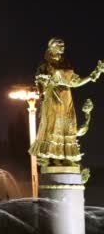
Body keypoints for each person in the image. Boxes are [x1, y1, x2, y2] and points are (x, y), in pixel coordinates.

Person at [29, 38, 103, 166]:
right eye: (59, 45)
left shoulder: (66, 64)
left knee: (67, 125)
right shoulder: (45, 65)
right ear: (51, 47)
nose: (62, 47)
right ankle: (52, 157)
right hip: (53, 97)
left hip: (66, 97)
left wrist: (91, 77)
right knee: (53, 125)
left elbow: (75, 81)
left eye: (63, 45)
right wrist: (43, 93)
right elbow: (41, 84)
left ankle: (65, 156)